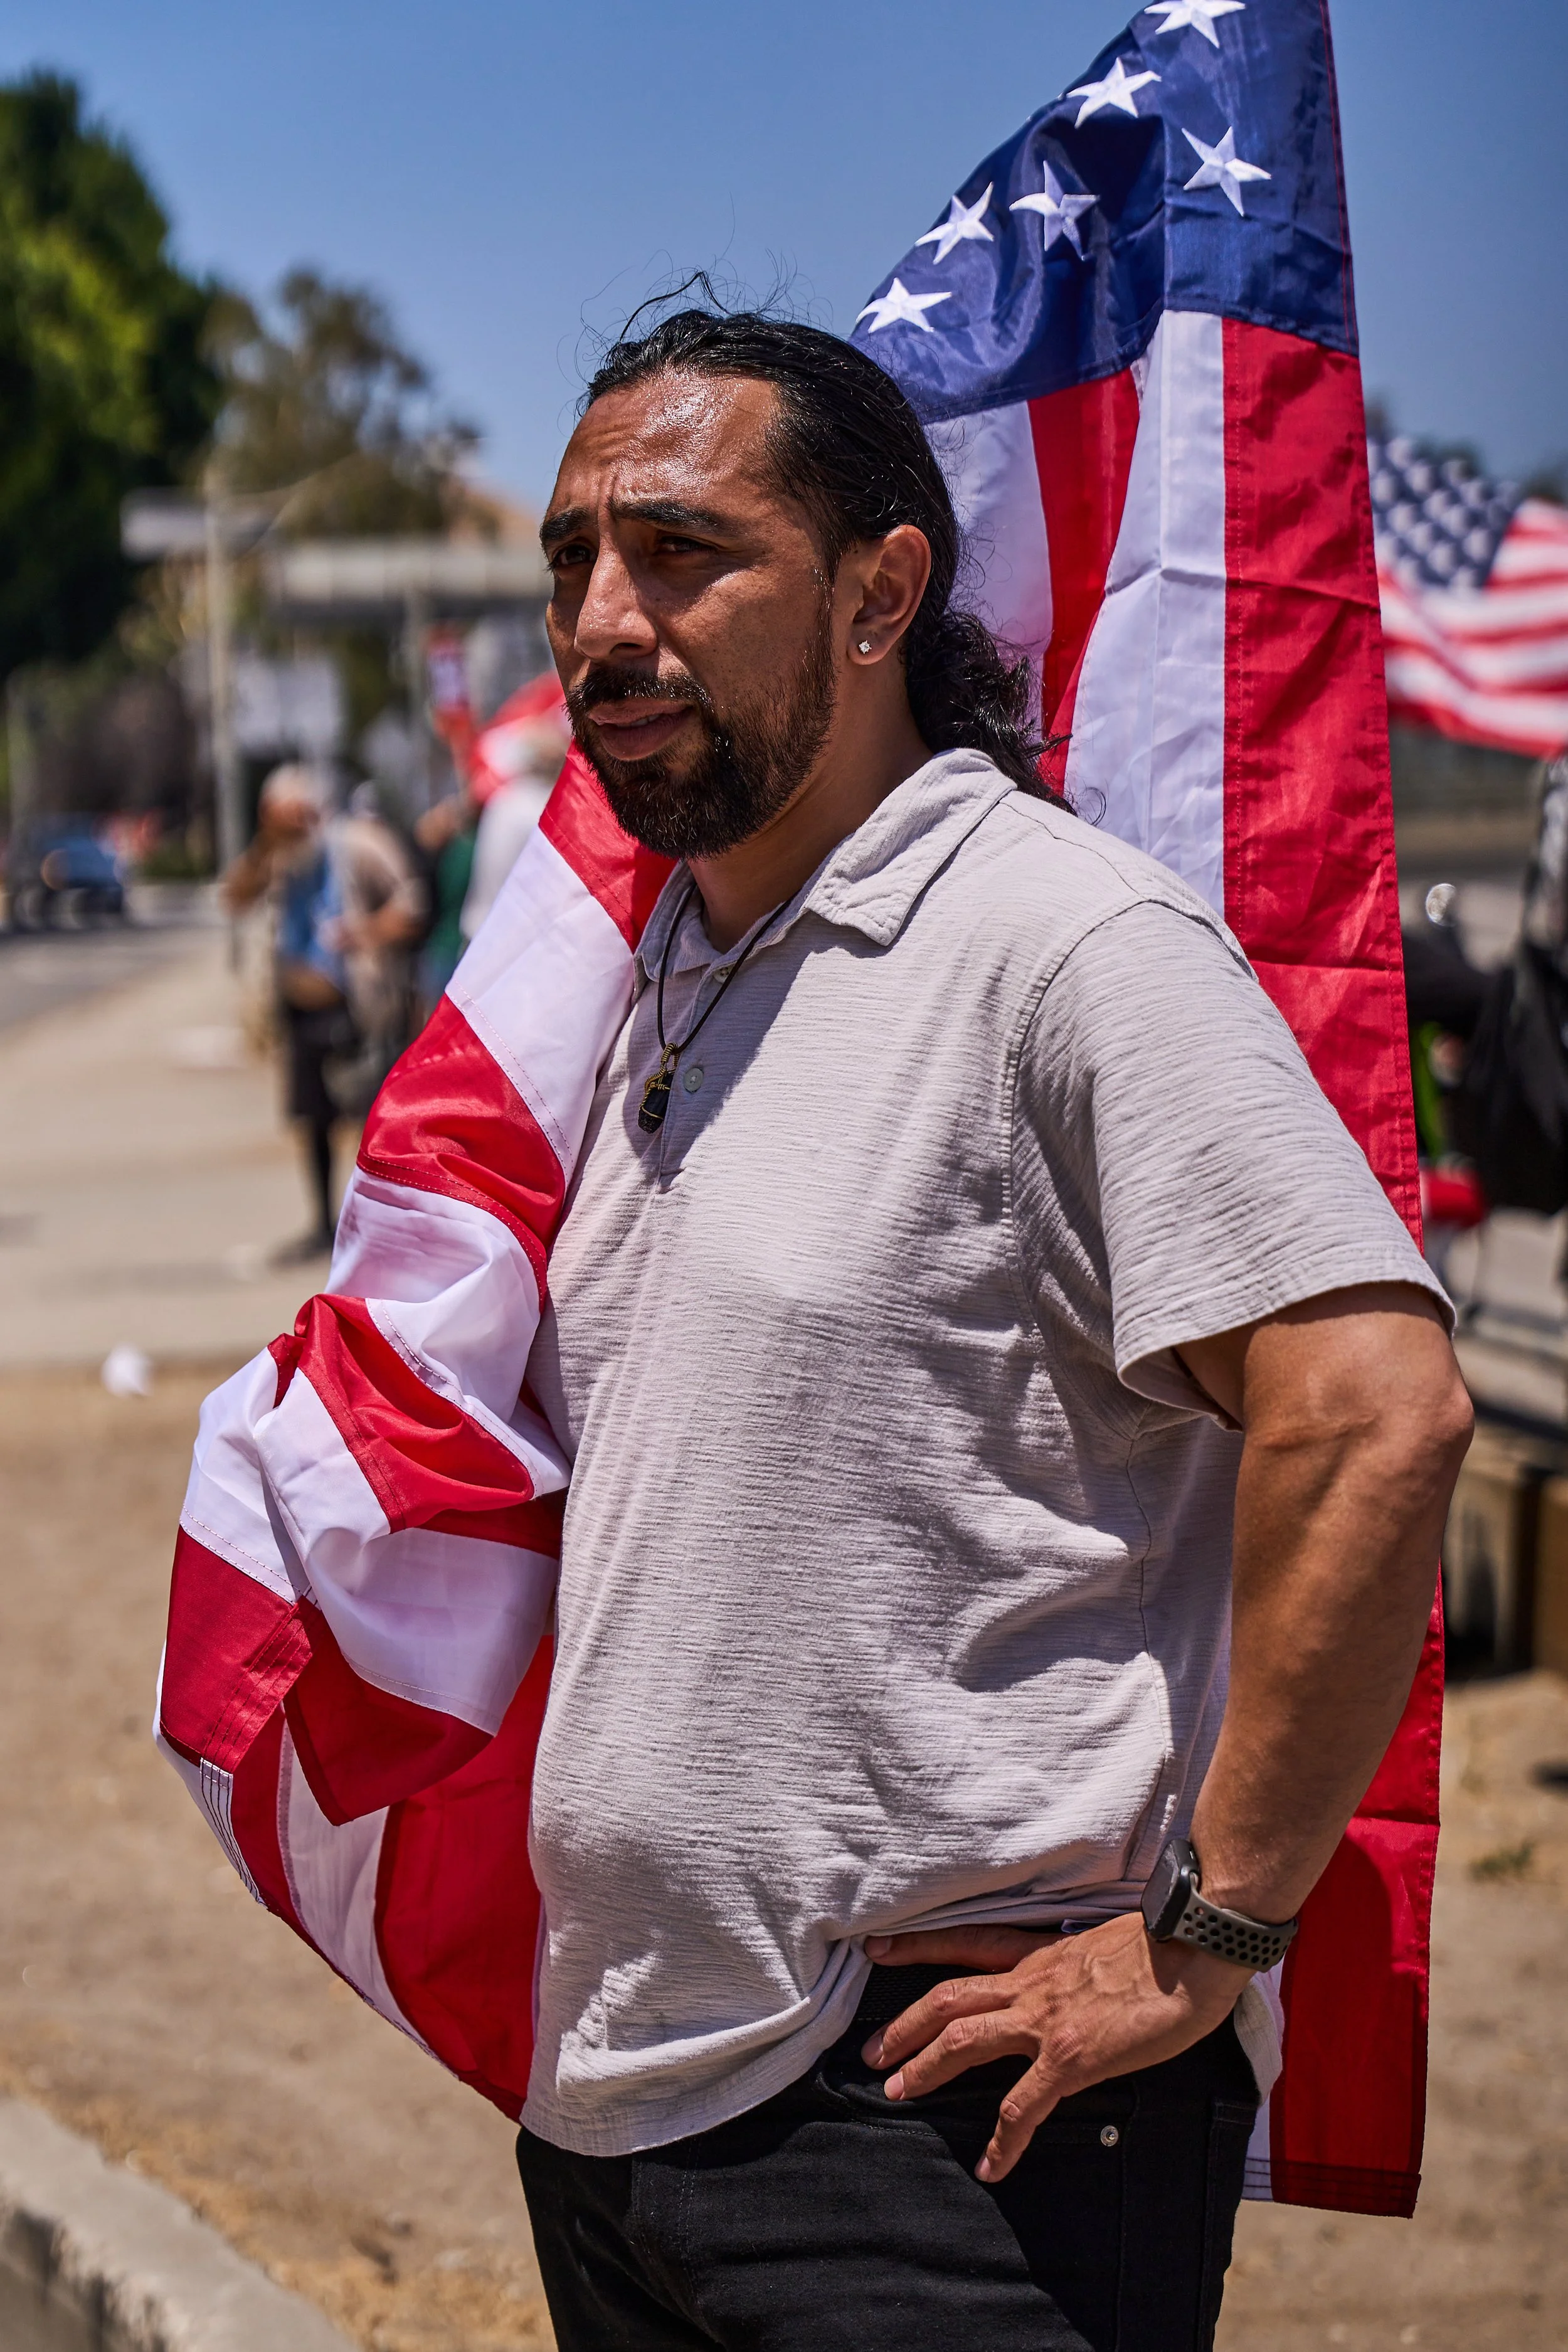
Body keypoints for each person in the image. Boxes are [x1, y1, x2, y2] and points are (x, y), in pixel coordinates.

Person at [512, 310, 1472, 2351]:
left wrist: (1208, 1934)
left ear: (882, 593)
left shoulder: (1060, 945)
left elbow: (1374, 1412)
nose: (603, 617)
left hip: (947, 2120)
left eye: (682, 553)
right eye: (573, 559)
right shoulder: (652, 985)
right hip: (626, 2105)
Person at [223, 763, 425, 1260]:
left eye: (297, 815)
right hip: (298, 1008)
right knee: (312, 1122)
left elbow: (413, 901)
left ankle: (375, 1224)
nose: (292, 826)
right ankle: (324, 1223)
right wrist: (266, 841)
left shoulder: (355, 844)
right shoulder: (280, 856)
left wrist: (368, 932)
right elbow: (235, 897)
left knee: (363, 1119)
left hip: (353, 1005)